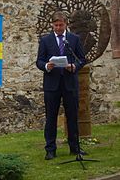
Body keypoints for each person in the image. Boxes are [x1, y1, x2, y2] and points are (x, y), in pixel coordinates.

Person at [36, 11, 87, 160]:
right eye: (56, 25)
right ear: (52, 25)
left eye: (61, 25)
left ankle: (75, 147)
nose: (58, 28)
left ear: (66, 24)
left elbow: (82, 59)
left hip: (70, 83)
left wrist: (74, 66)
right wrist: (46, 66)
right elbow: (39, 61)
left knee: (72, 116)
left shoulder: (74, 39)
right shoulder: (45, 41)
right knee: (51, 117)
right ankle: (50, 150)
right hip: (52, 85)